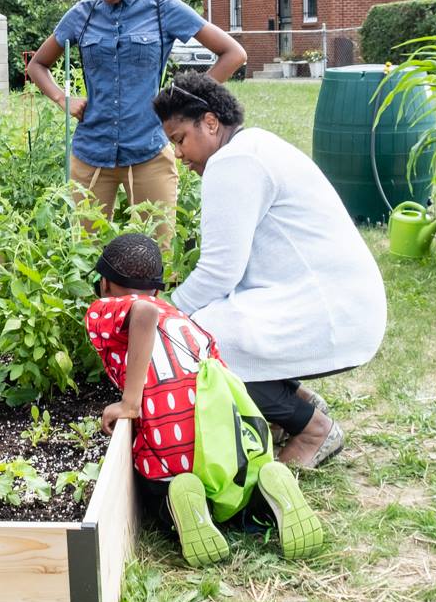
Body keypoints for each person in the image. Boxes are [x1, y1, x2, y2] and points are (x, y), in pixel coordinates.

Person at [152, 73, 385, 468]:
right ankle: (292, 403)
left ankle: (313, 428)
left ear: (210, 122)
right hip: (340, 301)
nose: (178, 154)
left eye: (179, 140)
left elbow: (219, 271)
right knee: (214, 324)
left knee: (197, 341)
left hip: (334, 310)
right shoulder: (251, 146)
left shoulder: (233, 162)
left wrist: (164, 314)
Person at [87, 234, 323, 566]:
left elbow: (142, 314)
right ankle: (266, 498)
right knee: (235, 493)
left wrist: (130, 402)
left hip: (169, 451)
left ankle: (179, 502)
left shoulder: (104, 310)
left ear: (105, 283)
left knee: (157, 492)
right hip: (219, 443)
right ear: (158, 288)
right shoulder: (183, 320)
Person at [24, 0, 246, 243]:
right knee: (86, 257)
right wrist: (63, 97)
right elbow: (37, 65)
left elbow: (233, 54)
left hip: (148, 152)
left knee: (157, 255)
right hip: (90, 155)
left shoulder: (162, 9)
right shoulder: (81, 17)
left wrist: (186, 103)